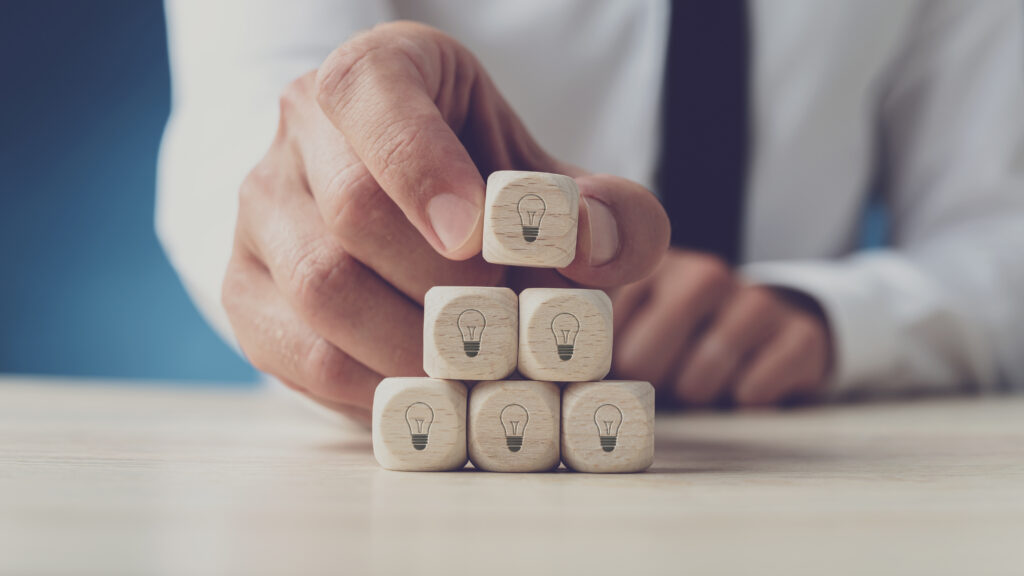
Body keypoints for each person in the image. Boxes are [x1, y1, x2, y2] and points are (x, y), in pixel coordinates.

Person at [158, 0, 1024, 423]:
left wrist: (829, 320)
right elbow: (250, 113)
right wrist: (306, 224)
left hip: (791, 457)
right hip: (405, 455)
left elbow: (998, 231)